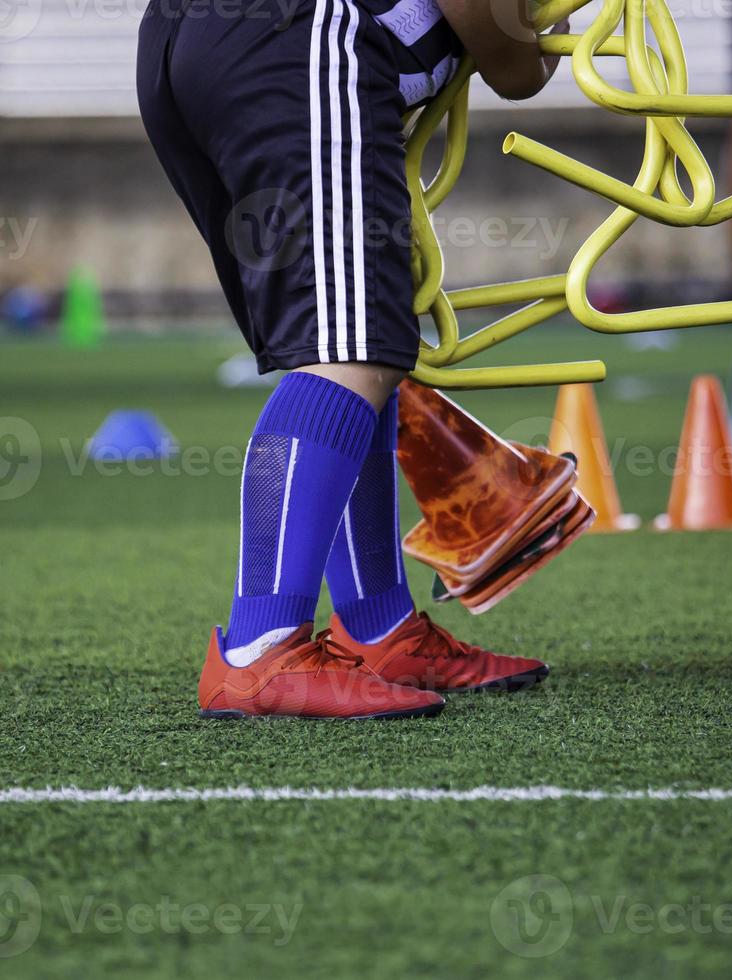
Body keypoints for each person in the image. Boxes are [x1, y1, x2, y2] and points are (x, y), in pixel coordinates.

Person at [137, 0, 566, 718]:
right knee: (347, 348)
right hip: (296, 34)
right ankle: (258, 651)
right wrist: (527, 57)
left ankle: (378, 625)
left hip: (197, 40)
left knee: (353, 343)